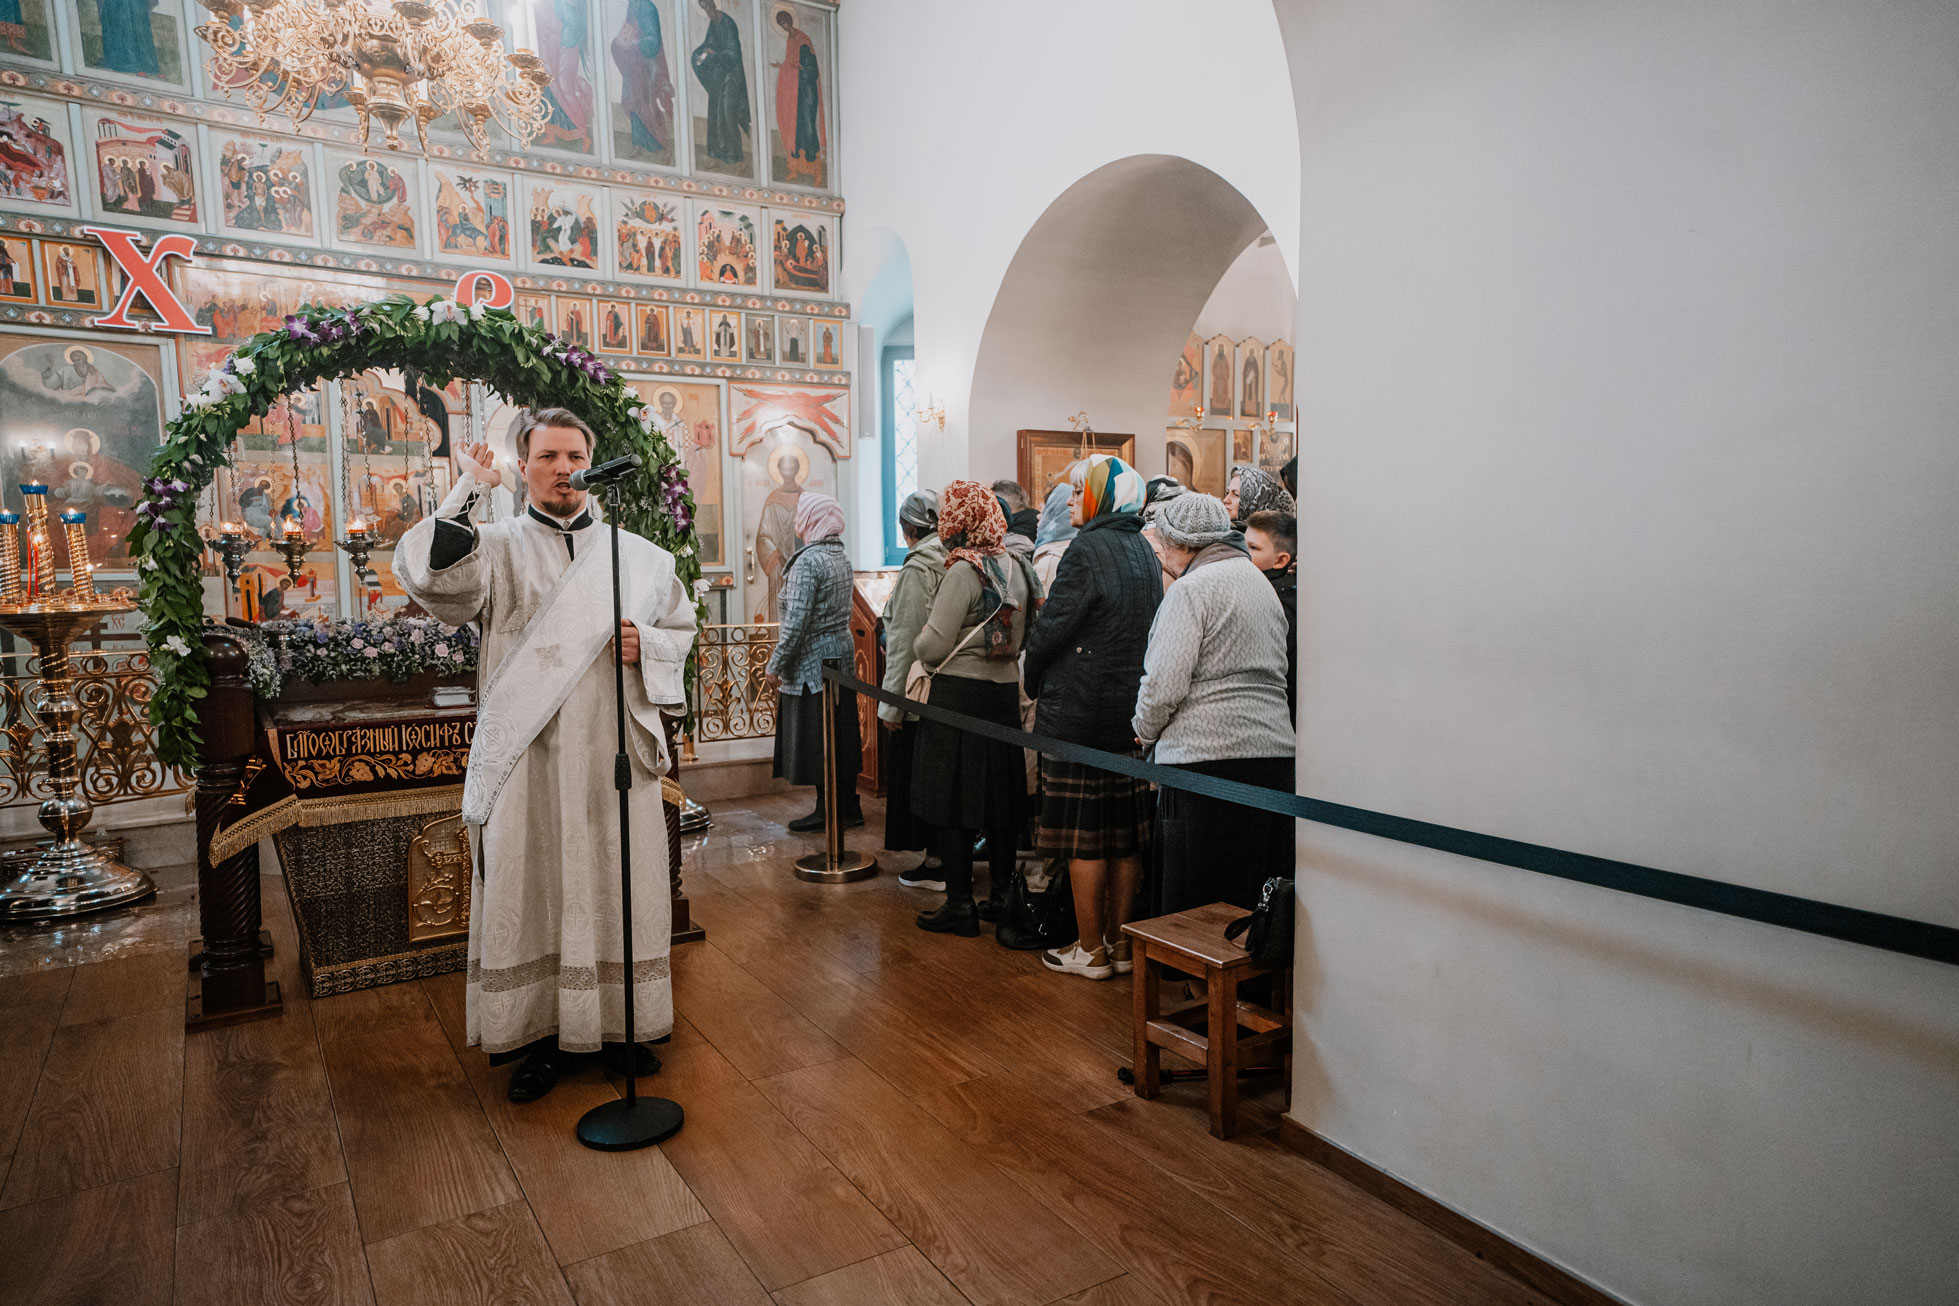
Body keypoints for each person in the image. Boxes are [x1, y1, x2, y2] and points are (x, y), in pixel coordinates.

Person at [396, 409, 697, 1102]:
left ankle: (621, 1024)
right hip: (527, 757)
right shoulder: (495, 547)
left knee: (614, 879)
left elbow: (679, 630)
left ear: (590, 464)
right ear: (524, 468)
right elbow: (434, 582)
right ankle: (535, 1037)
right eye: (547, 457)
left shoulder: (640, 557)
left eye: (574, 456)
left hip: (612, 757)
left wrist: (648, 646)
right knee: (530, 885)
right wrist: (468, 489)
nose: (563, 469)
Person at [1022, 455, 1159, 980]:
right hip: (1126, 713)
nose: (1071, 501)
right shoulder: (1142, 548)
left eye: (1080, 491)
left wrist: (1034, 679)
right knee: (1124, 836)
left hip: (1078, 713)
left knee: (1084, 837)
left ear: (1103, 498)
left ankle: (1089, 949)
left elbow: (1052, 628)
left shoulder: (1085, 550)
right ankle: (1121, 945)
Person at [1134, 493, 1295, 917]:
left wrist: (1143, 732)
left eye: (1163, 543)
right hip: (1272, 757)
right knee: (1250, 901)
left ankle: (1198, 967)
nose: (1162, 555)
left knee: (1197, 909)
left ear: (1183, 545)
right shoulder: (1260, 583)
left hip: (1204, 763)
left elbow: (1163, 684)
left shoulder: (1191, 589)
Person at [911, 481, 1040, 937]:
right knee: (1001, 802)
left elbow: (932, 646)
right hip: (1003, 694)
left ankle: (960, 904)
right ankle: (1002, 896)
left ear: (959, 520)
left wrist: (917, 642)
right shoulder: (1019, 565)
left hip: (958, 698)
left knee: (953, 801)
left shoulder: (965, 571)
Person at [766, 492, 862, 832]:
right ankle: (847, 806)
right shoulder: (840, 556)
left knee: (821, 739)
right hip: (840, 659)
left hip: (812, 666)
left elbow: (796, 623)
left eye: (801, 515)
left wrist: (776, 664)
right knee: (840, 735)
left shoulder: (809, 561)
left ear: (812, 520)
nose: (797, 522)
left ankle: (827, 811)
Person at [879, 490, 946, 887]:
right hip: (947, 690)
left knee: (924, 783)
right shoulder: (952, 558)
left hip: (918, 694)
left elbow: (904, 640)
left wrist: (891, 706)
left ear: (907, 530)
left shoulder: (918, 568)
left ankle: (936, 862)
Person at [1245, 509, 1298, 723]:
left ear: (1280, 560)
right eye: (1242, 544)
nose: (1242, 553)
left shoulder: (1272, 602)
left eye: (1253, 548)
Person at [1222, 463, 1294, 529]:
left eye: (1236, 494)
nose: (1225, 500)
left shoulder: (1270, 537)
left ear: (1257, 501)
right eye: (1227, 493)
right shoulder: (1222, 531)